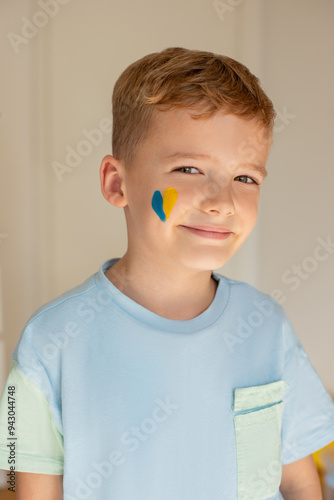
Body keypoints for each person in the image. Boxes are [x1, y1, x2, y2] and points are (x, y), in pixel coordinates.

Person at [0, 47, 333, 500]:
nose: (222, 201)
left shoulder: (268, 328)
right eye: (189, 169)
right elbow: (26, 487)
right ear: (117, 183)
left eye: (246, 178)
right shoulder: (49, 341)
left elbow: (297, 481)